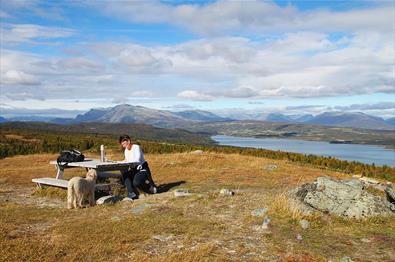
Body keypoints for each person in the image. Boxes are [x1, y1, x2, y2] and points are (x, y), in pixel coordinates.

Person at [119, 135, 157, 200]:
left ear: (129, 141)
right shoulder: (126, 150)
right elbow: (126, 160)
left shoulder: (136, 147)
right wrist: (117, 162)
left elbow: (137, 160)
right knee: (125, 174)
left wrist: (127, 162)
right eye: (122, 145)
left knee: (136, 182)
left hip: (142, 168)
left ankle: (150, 188)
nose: (124, 146)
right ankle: (131, 193)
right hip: (134, 169)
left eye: (124, 144)